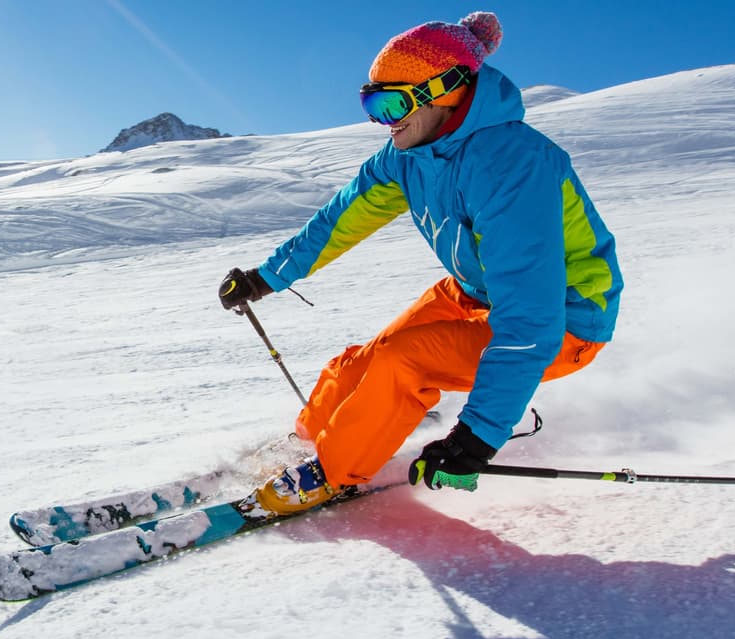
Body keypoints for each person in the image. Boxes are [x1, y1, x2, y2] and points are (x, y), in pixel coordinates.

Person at [217, 12, 622, 514]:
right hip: (474, 292)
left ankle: (333, 471)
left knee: (401, 362)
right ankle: (311, 440)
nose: (383, 121)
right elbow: (342, 217)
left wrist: (479, 435)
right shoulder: (407, 155)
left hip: (565, 318)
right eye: (372, 103)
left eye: (392, 103)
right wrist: (267, 277)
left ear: (447, 89)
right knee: (364, 360)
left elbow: (531, 318)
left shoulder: (512, 164)